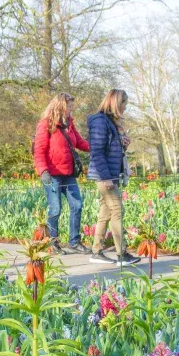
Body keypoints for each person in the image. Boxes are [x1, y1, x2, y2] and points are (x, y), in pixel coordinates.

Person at [33, 92, 91, 254]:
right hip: (52, 174)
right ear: (61, 106)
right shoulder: (45, 124)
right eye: (70, 106)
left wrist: (95, 148)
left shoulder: (69, 123)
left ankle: (74, 241)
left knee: (77, 205)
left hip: (68, 173)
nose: (72, 108)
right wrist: (43, 170)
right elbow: (39, 150)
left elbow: (79, 142)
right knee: (55, 209)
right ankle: (53, 243)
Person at [87, 89, 140, 266]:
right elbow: (97, 152)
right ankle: (121, 254)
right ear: (116, 103)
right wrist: (106, 177)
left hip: (110, 174)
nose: (125, 107)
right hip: (105, 176)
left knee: (106, 213)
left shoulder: (110, 122)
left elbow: (110, 150)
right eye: (124, 103)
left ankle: (96, 251)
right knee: (117, 211)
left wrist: (122, 144)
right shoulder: (100, 122)